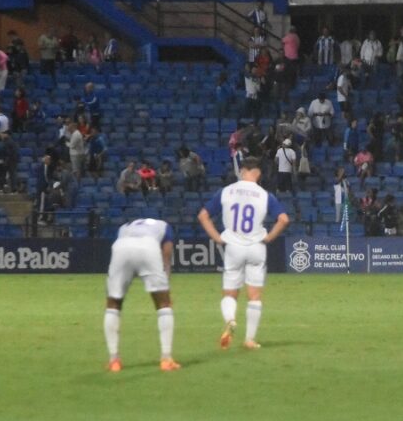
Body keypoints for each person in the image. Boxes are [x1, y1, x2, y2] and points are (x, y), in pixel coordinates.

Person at [197, 157, 290, 350]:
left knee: (230, 294)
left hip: (233, 247)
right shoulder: (265, 195)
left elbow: (203, 215)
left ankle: (230, 319)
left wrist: (216, 237)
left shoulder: (226, 192)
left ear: (242, 171)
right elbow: (283, 219)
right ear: (259, 173)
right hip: (256, 247)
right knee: (254, 296)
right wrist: (270, 237)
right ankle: (249, 339)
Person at [103, 218, 181, 372]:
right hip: (148, 247)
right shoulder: (165, 226)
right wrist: (166, 286)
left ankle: (114, 361)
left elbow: (121, 244)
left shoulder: (124, 226)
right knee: (163, 305)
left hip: (121, 247)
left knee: (113, 303)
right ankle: (166, 359)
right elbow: (167, 255)